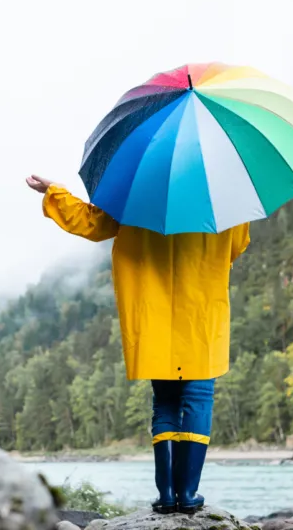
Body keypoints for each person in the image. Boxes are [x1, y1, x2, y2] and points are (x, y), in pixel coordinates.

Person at [26, 174, 250, 514]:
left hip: (154, 316)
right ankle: (188, 496)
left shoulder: (138, 187)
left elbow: (93, 223)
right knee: (198, 398)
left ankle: (166, 497)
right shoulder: (225, 196)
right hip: (201, 315)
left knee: (166, 403)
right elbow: (236, 246)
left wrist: (54, 192)